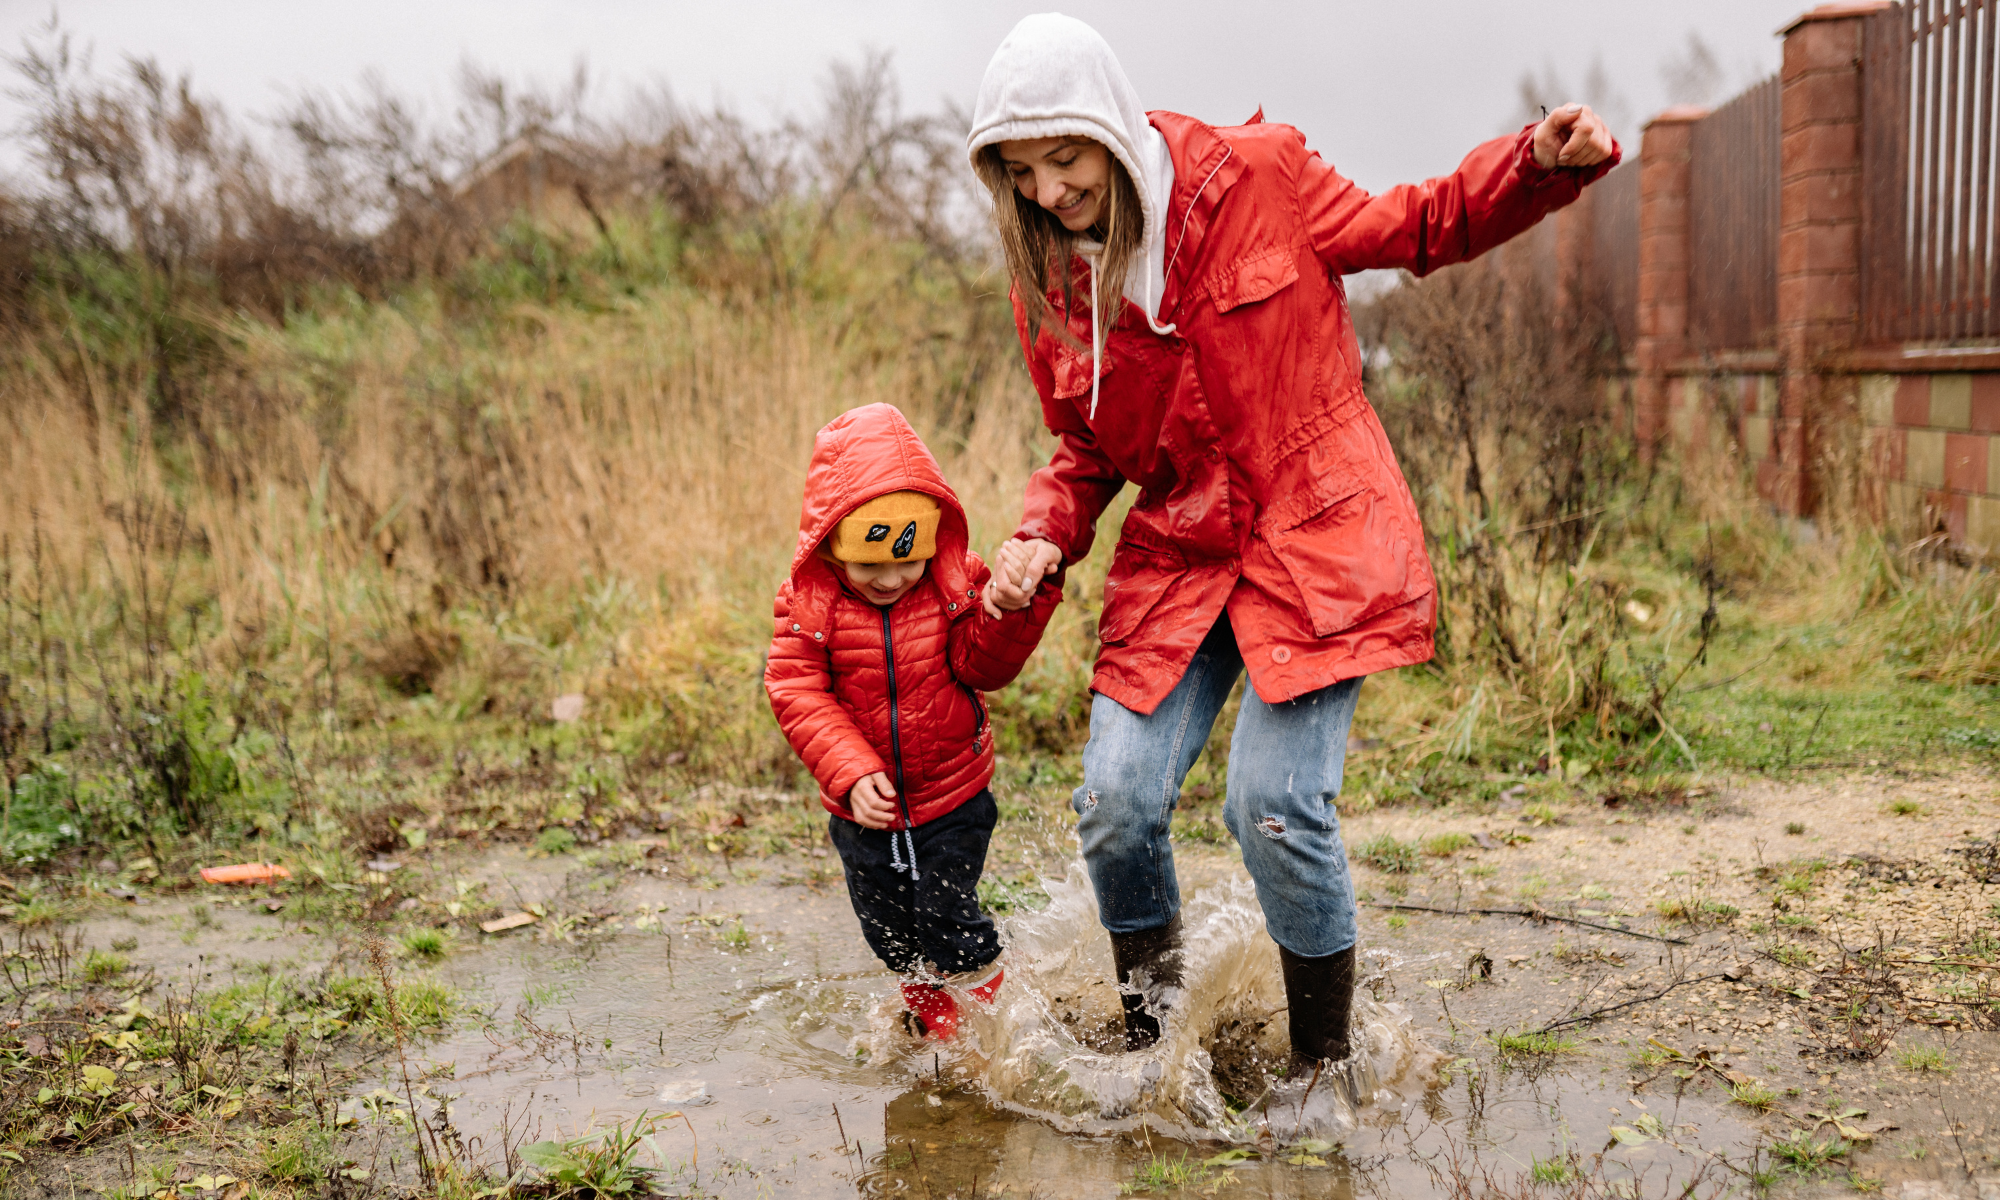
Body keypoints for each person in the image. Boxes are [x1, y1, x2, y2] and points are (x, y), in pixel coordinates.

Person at [969, 14, 1619, 1072]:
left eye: (1064, 158)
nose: (1047, 191)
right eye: (1020, 172)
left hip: (1312, 536)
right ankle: (1152, 1052)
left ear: (1110, 125)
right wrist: (1041, 534)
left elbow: (1417, 225)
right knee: (1114, 805)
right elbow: (1084, 447)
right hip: (1181, 551)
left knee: (1271, 806)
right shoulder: (1048, 278)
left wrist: (1534, 165)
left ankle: (1322, 1072)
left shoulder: (1257, 177)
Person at [766, 402, 1064, 1040]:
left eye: (907, 559)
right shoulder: (809, 605)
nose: (892, 578)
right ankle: (934, 1021)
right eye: (869, 563)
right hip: (864, 809)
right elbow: (794, 686)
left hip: (952, 794)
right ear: (831, 544)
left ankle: (991, 1027)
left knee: (947, 918)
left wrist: (1007, 611)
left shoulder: (954, 584)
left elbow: (982, 666)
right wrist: (850, 771)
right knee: (890, 934)